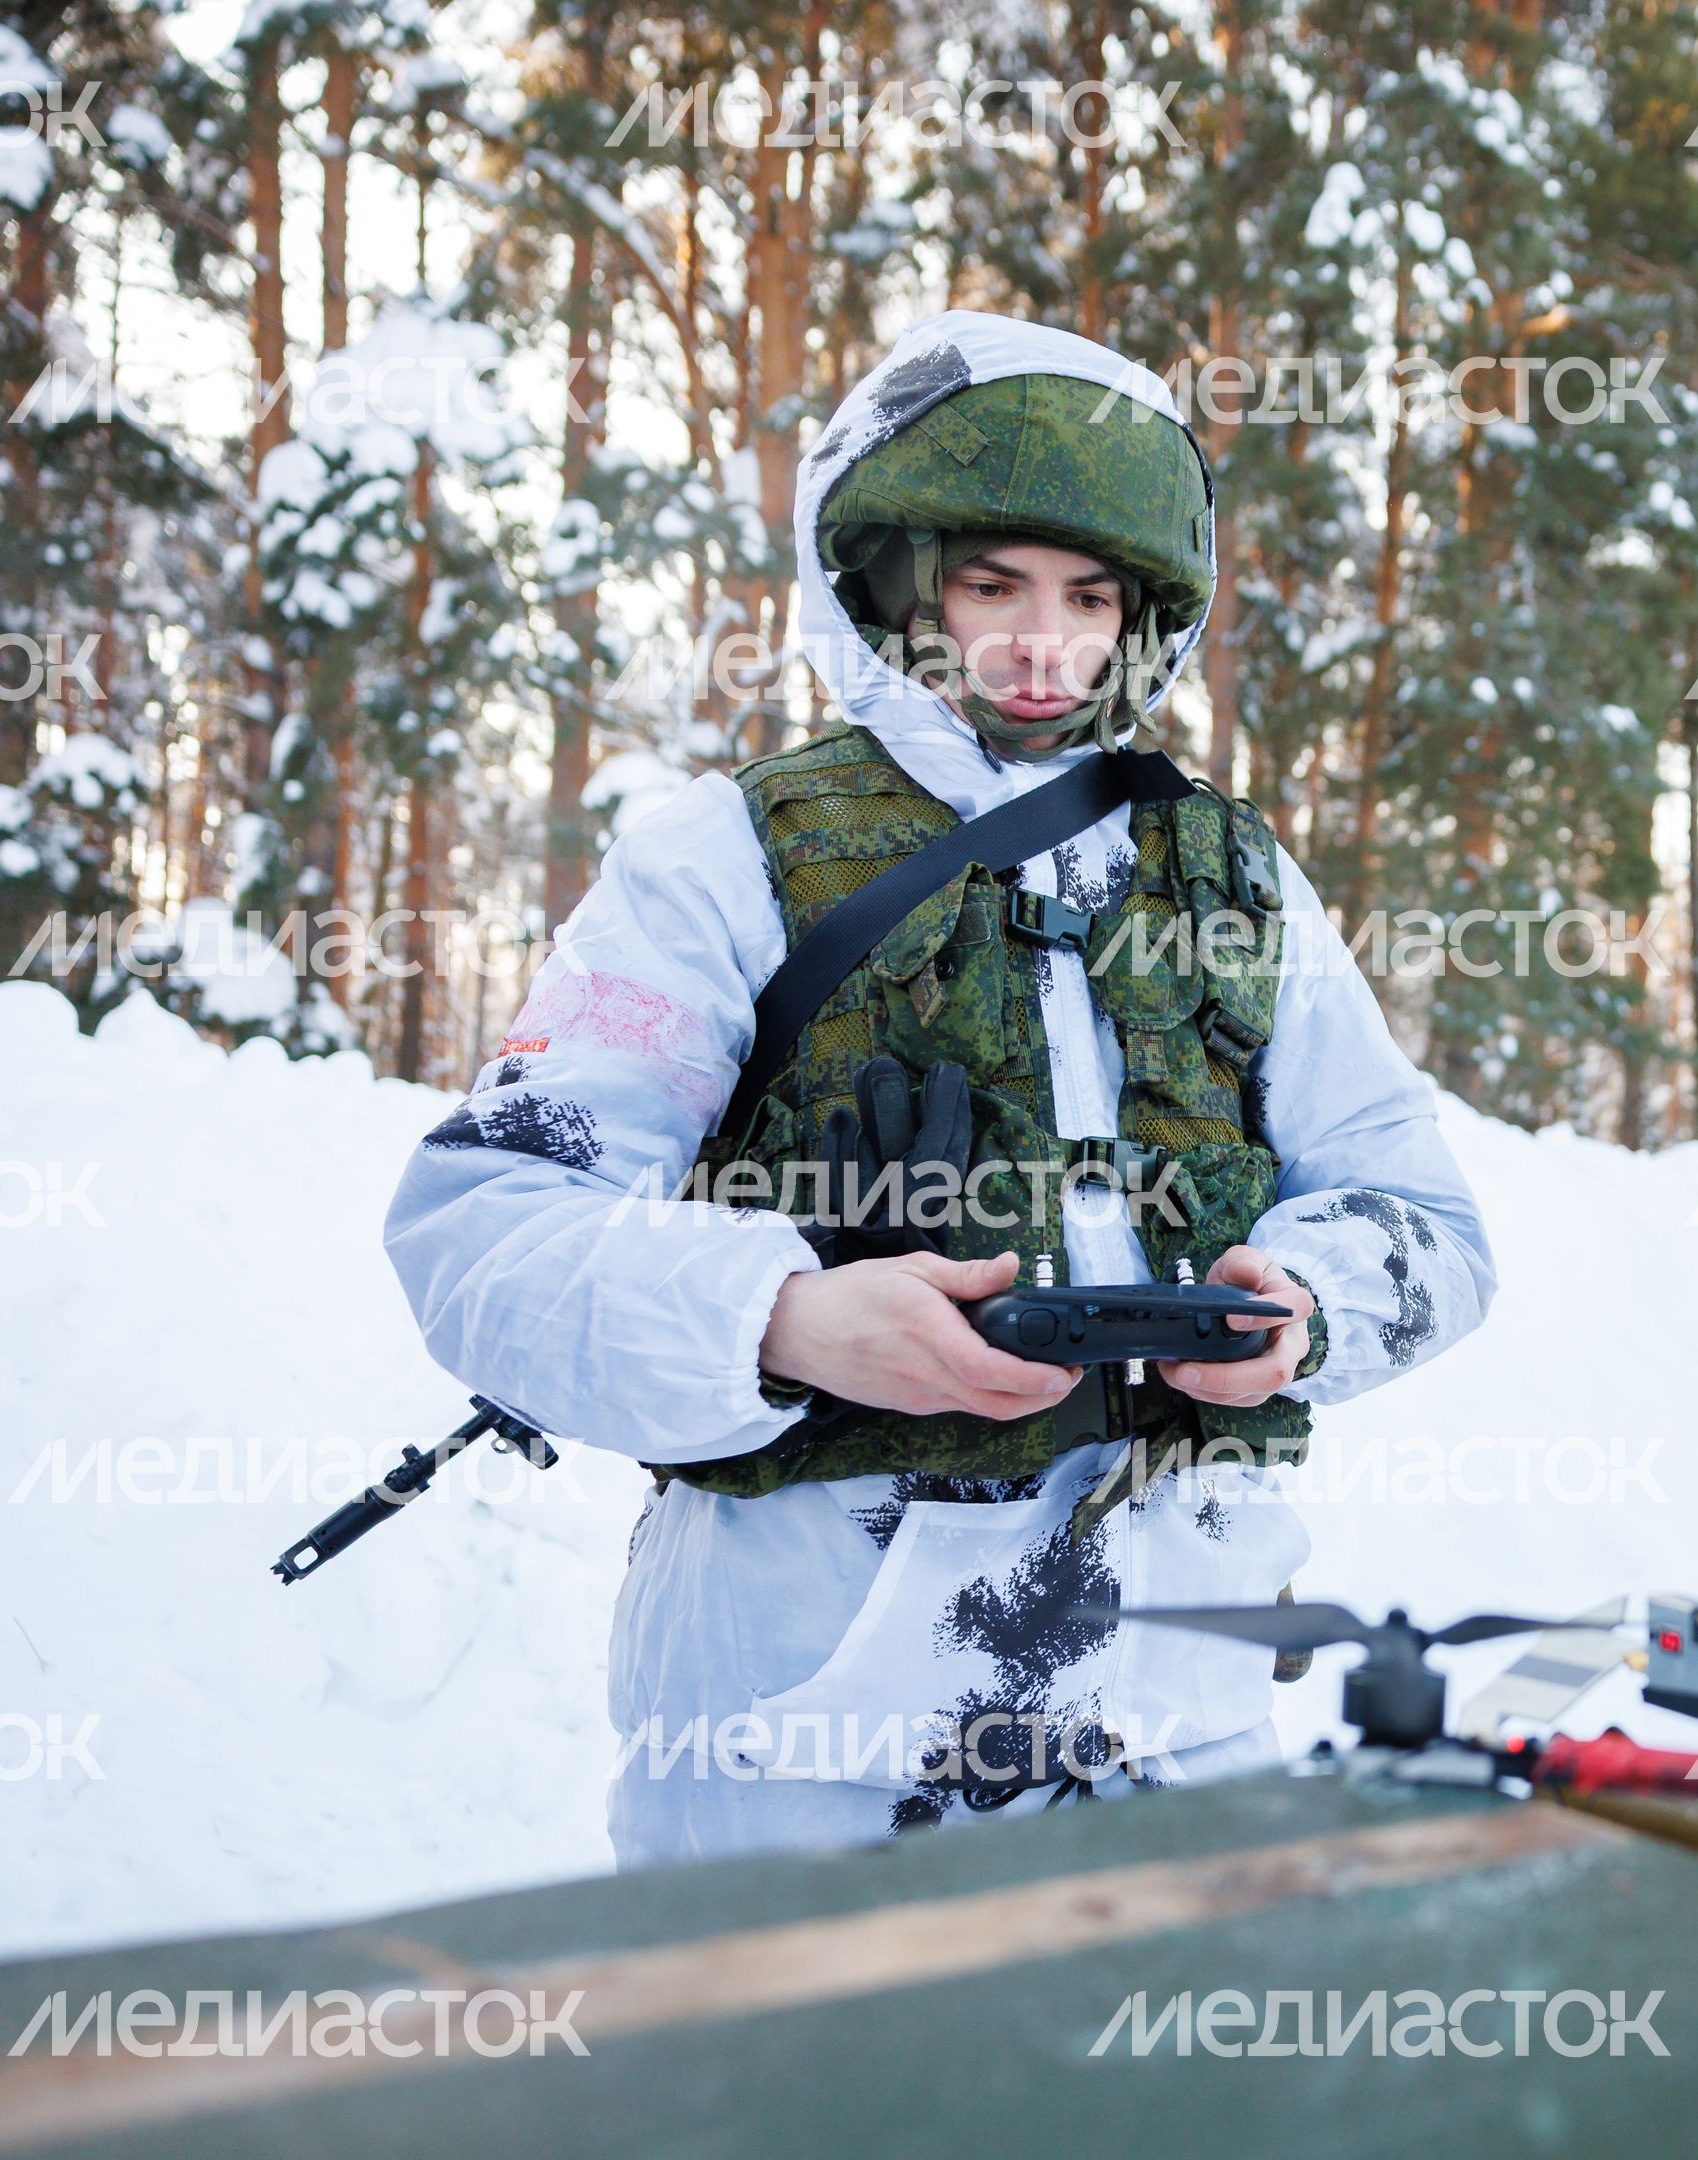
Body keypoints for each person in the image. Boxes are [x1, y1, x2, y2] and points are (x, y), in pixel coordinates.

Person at [384, 312, 1494, 1865]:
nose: (1044, 644)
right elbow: (486, 1225)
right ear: (901, 586)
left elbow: (1425, 1218)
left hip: (1185, 1722)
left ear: (1143, 613)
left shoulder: (1239, 879)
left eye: (1089, 595)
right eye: (993, 587)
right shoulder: (724, 857)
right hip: (802, 1733)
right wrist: (786, 1319)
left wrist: (1303, 1307)